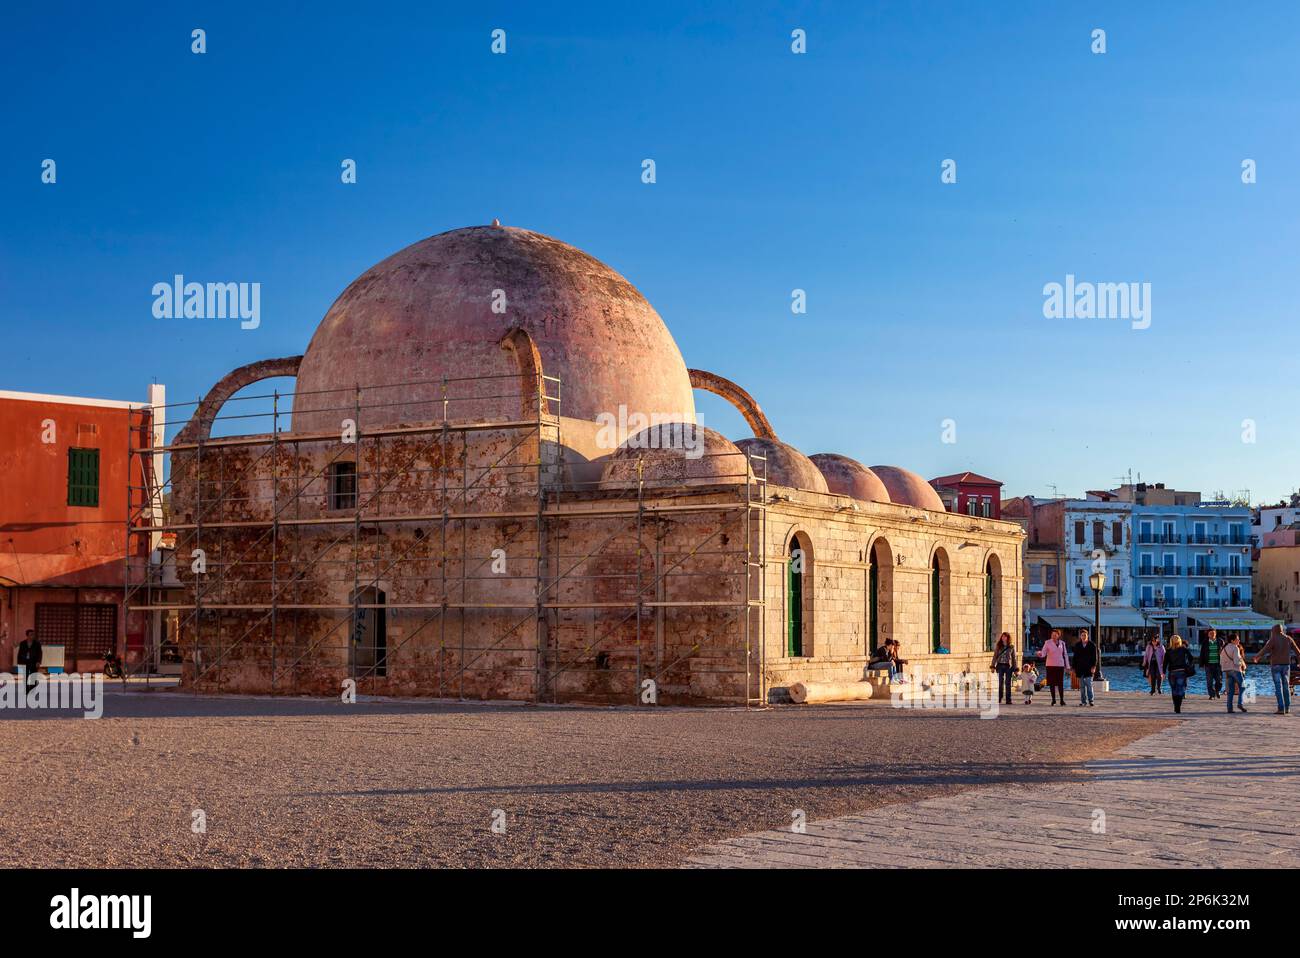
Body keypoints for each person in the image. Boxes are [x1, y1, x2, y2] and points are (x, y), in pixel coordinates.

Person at [1252, 623, 1300, 715]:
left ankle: (1281, 708)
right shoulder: (1288, 638)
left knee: (1278, 687)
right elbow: (1298, 652)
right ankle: (1287, 708)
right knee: (1286, 686)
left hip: (1276, 666)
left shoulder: (1273, 639)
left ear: (1274, 631)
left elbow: (1265, 649)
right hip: (1286, 666)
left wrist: (1257, 657)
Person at [1039, 629, 1070, 706]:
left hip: (1060, 665)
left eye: (1055, 635)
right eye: (1052, 634)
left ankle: (1062, 700)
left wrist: (1068, 666)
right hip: (1050, 665)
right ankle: (1053, 700)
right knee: (1051, 683)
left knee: (1060, 683)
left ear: (1058, 635)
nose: (1054, 636)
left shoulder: (1062, 643)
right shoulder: (1047, 642)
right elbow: (1043, 653)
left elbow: (1065, 655)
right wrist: (1040, 654)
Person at [1164, 634, 1195, 714]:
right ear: (1180, 641)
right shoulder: (1183, 649)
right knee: (1180, 689)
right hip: (1181, 671)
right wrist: (1188, 665)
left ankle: (1176, 705)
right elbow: (1191, 658)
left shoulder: (1168, 651)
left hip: (1172, 672)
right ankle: (1178, 707)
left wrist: (1163, 672)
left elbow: (1165, 663)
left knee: (1174, 690)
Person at [1221, 633, 1248, 714]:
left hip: (1227, 671)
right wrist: (1241, 663)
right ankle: (1240, 704)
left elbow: (1221, 661)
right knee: (1243, 687)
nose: (1239, 640)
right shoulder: (1235, 648)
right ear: (1232, 640)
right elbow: (1236, 662)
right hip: (1235, 670)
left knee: (1231, 690)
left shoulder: (1224, 648)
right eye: (1237, 639)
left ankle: (1229, 708)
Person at [1072, 629, 1099, 707]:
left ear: (1088, 636)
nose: (1083, 637)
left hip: (1089, 668)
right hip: (1079, 668)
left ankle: (1091, 700)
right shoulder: (1077, 645)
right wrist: (1073, 667)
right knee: (1082, 686)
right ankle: (1083, 701)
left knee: (1089, 685)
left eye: (1085, 635)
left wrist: (1094, 666)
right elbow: (1075, 657)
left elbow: (1095, 657)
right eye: (1082, 635)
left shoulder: (1092, 645)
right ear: (1080, 636)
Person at [989, 632, 1017, 706]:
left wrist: (1015, 669)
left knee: (1008, 683)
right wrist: (992, 666)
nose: (1003, 638)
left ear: (1008, 638)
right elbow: (995, 656)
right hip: (1000, 666)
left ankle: (1008, 699)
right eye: (1002, 637)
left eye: (1005, 637)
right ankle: (999, 698)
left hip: (1008, 666)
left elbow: (1014, 658)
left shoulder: (1011, 647)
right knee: (1000, 682)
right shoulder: (999, 646)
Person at [1199, 627, 1224, 699]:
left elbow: (1224, 652)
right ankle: (1212, 695)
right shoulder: (1205, 642)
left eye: (1213, 633)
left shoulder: (1220, 641)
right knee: (1209, 681)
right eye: (1210, 633)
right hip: (1208, 664)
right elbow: (1202, 653)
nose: (1212, 635)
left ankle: (1217, 691)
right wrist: (1201, 664)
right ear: (1208, 635)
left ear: (1216, 634)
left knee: (1219, 680)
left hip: (1218, 664)